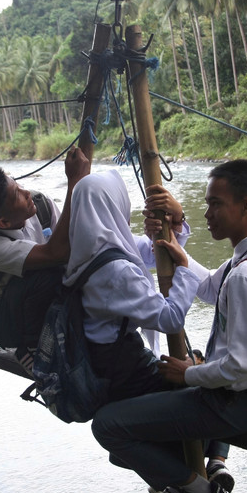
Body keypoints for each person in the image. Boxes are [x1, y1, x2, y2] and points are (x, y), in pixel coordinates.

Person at [92, 159, 247, 493]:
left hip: (233, 403)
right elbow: (214, 288)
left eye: (216, 204)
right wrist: (181, 253)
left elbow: (244, 365)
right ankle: (201, 472)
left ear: (246, 205)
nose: (207, 214)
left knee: (108, 426)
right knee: (128, 436)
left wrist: (188, 373)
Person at [65, 170, 199, 406]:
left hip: (98, 356)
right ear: (113, 205)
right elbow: (170, 319)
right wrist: (184, 267)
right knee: (197, 383)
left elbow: (151, 250)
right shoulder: (116, 271)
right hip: (121, 368)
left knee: (194, 363)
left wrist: (175, 221)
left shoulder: (84, 245)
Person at [0, 146, 90, 371]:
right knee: (47, 273)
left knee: (82, 269)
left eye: (18, 185)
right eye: (17, 194)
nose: (26, 192)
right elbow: (55, 254)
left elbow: (73, 241)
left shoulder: (40, 205)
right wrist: (76, 181)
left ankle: (69, 330)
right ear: (4, 223)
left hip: (31, 298)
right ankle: (31, 347)